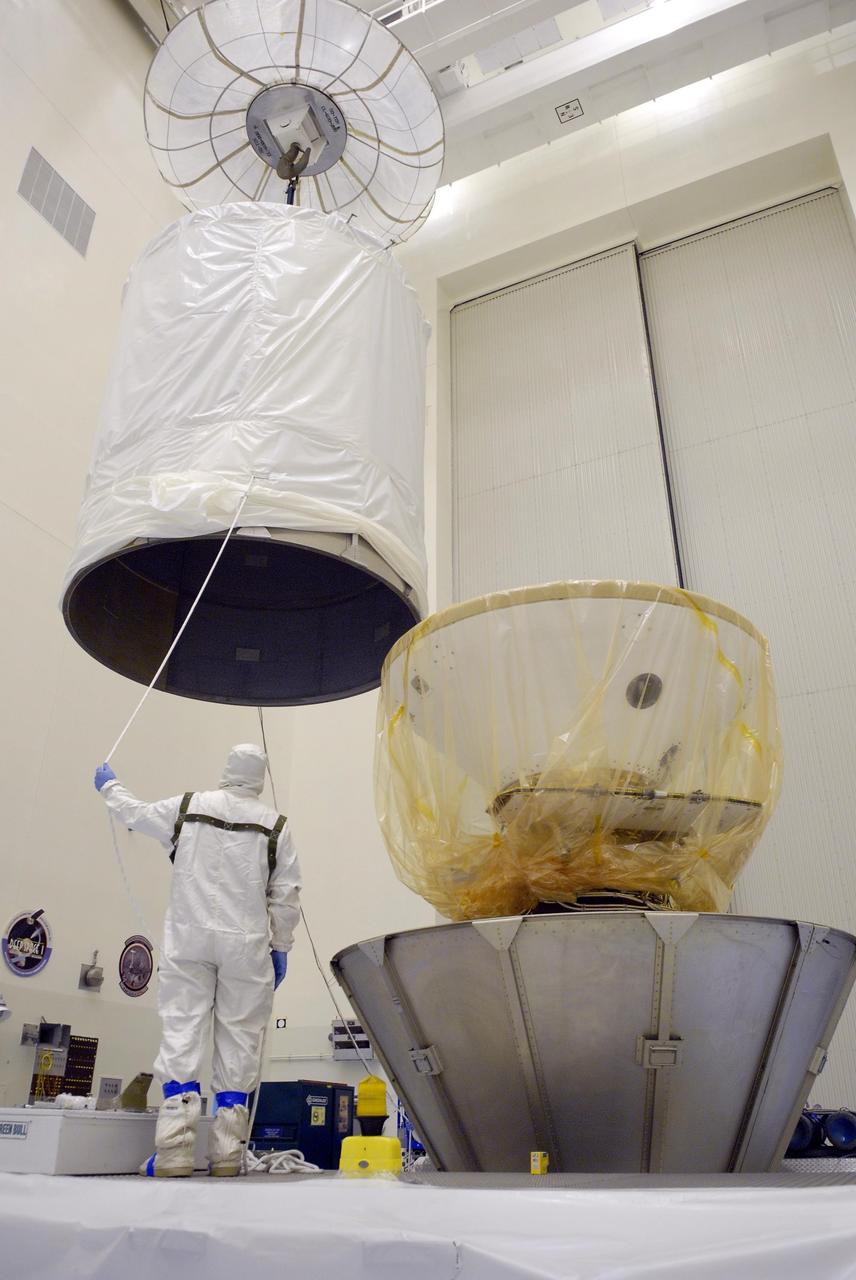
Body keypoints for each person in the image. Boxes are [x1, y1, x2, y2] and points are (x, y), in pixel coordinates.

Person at [94, 744, 301, 1177]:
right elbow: (286, 896)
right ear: (261, 777)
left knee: (182, 1030)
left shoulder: (189, 807)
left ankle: (173, 1151)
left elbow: (135, 813)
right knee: (241, 1040)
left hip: (188, 938)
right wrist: (280, 947)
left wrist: (110, 785)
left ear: (227, 770)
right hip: (246, 946)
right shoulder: (276, 827)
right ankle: (227, 1154)